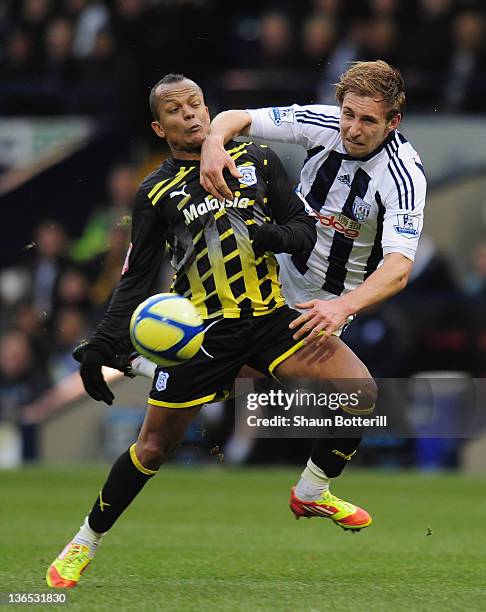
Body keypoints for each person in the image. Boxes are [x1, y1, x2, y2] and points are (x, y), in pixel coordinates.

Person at [46, 73, 377, 589]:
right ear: (160, 127)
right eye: (176, 110)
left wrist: (278, 236)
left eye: (197, 103)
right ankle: (83, 543)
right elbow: (137, 275)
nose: (191, 114)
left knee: (360, 392)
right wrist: (103, 345)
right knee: (153, 449)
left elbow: (304, 229)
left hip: (271, 317)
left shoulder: (259, 160)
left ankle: (312, 491)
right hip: (201, 333)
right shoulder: (155, 192)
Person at [200, 59, 427, 518]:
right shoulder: (322, 124)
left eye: (368, 120)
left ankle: (310, 491)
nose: (353, 128)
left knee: (352, 397)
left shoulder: (403, 177)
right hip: (265, 277)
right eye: (348, 113)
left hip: (322, 305)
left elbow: (399, 267)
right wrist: (213, 143)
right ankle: (142, 357)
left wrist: (343, 307)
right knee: (240, 374)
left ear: (393, 122)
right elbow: (237, 118)